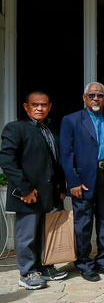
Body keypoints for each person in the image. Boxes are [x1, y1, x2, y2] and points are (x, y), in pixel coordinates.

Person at [59, 82, 104, 282]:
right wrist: (73, 182)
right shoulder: (71, 120)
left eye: (100, 96)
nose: (95, 99)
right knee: (83, 225)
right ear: (84, 97)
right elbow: (66, 153)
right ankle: (84, 264)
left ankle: (103, 261)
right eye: (91, 95)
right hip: (83, 182)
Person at [0, 91, 67, 289]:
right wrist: (25, 189)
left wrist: (61, 187)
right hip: (28, 194)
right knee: (27, 236)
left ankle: (43, 267)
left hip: (50, 193)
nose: (40, 108)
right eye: (35, 105)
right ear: (26, 106)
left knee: (44, 234)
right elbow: (7, 161)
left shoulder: (50, 128)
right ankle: (27, 273)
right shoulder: (16, 128)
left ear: (49, 107)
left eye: (44, 105)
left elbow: (56, 161)